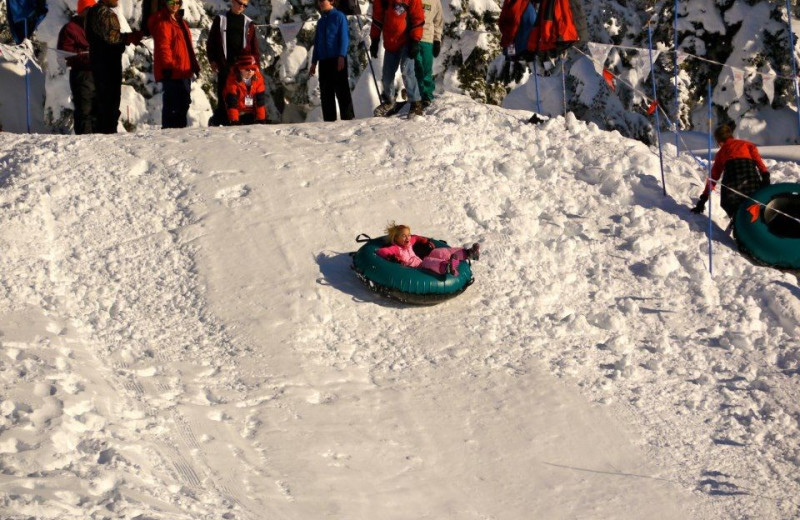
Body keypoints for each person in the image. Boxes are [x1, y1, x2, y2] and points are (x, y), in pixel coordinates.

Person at [85, 0, 143, 133]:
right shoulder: (104, 12)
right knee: (109, 103)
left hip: (101, 62)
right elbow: (112, 37)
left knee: (104, 102)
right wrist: (130, 38)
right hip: (107, 64)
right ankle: (107, 134)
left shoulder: (93, 11)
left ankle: (104, 131)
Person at [691, 123, 770, 220]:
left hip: (732, 186)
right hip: (751, 182)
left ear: (719, 141)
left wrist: (703, 199)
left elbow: (713, 177)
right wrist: (765, 175)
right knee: (755, 199)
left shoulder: (720, 153)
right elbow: (759, 162)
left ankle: (737, 219)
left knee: (729, 203)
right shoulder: (747, 145)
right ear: (731, 135)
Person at [207, 0, 261, 126]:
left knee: (243, 95)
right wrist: (212, 60)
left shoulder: (249, 23)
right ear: (233, 2)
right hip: (224, 64)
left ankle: (242, 120)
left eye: (245, 5)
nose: (241, 7)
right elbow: (211, 41)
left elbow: (254, 47)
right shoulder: (221, 19)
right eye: (239, 3)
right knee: (225, 94)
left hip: (243, 67)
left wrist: (256, 66)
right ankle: (222, 120)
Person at [369, 0, 425, 118]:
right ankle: (390, 101)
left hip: (407, 41)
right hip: (390, 42)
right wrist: (374, 40)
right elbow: (377, 20)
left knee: (406, 70)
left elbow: (418, 18)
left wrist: (415, 40)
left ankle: (416, 102)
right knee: (387, 75)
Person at [149, 0, 200, 129]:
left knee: (184, 103)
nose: (175, 5)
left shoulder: (180, 22)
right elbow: (163, 47)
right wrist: (167, 67)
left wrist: (194, 65)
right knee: (172, 106)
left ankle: (179, 133)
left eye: (178, 2)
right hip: (172, 71)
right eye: (172, 2)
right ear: (165, 3)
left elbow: (188, 47)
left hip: (184, 70)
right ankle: (169, 134)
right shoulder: (164, 23)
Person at [376, 222, 480, 277]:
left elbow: (415, 237)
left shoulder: (409, 241)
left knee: (439, 252)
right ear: (396, 238)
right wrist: (392, 257)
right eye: (403, 236)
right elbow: (381, 251)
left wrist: (424, 241)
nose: (407, 237)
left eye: (408, 234)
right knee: (428, 261)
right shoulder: (396, 248)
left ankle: (468, 253)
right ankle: (447, 267)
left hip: (420, 262)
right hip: (416, 269)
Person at [309, 0, 354, 122]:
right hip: (324, 60)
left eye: (323, 1)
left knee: (342, 90)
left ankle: (348, 119)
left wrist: (341, 56)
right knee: (326, 93)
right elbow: (317, 43)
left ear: (332, 1)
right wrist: (314, 62)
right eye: (319, 1)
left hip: (337, 59)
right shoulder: (321, 21)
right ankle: (329, 121)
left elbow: (344, 37)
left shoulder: (339, 16)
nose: (320, 3)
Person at [57, 0, 96, 134]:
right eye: (89, 9)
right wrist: (86, 54)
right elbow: (64, 53)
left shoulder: (98, 26)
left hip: (99, 73)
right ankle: (85, 144)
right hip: (82, 75)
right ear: (82, 11)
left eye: (93, 9)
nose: (92, 13)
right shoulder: (70, 28)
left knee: (99, 111)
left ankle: (101, 146)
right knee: (85, 111)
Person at [223, 55, 268, 124]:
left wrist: (261, 120)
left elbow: (260, 101)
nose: (250, 71)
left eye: (253, 69)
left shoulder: (258, 78)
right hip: (236, 113)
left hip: (251, 113)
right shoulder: (232, 80)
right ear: (240, 69)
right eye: (247, 69)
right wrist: (234, 121)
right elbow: (232, 102)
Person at [414, 0, 442, 109]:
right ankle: (416, 97)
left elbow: (438, 22)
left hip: (427, 40)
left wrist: (437, 40)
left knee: (426, 69)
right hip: (412, 39)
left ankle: (427, 97)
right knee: (415, 68)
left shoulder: (435, 2)